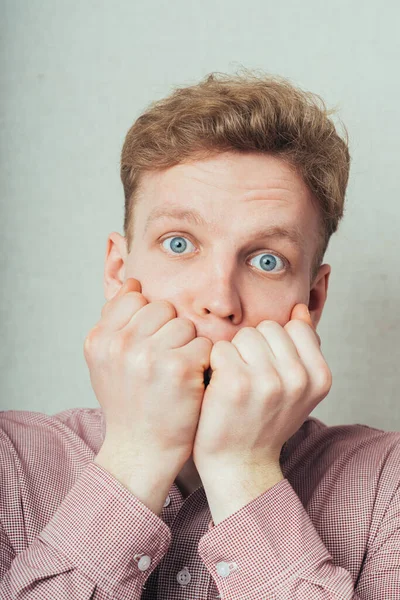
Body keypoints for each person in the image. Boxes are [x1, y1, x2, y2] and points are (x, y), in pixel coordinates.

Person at [0, 70, 399, 600]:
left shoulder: (387, 487)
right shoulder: (9, 461)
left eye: (266, 259)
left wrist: (244, 468)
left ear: (314, 300)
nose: (219, 300)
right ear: (119, 271)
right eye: (179, 244)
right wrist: (137, 455)